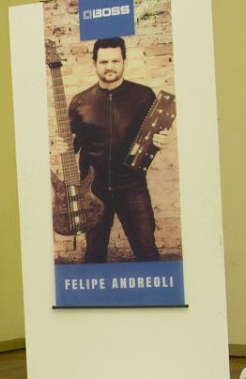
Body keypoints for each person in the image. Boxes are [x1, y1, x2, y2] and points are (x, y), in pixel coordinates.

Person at [67, 36, 170, 263]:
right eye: (103, 62)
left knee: (147, 252)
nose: (110, 66)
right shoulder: (80, 102)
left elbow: (151, 138)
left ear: (124, 61)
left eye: (115, 61)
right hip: (94, 192)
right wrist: (58, 146)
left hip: (132, 187)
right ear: (94, 63)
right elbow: (71, 147)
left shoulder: (144, 96)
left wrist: (160, 141)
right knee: (94, 255)